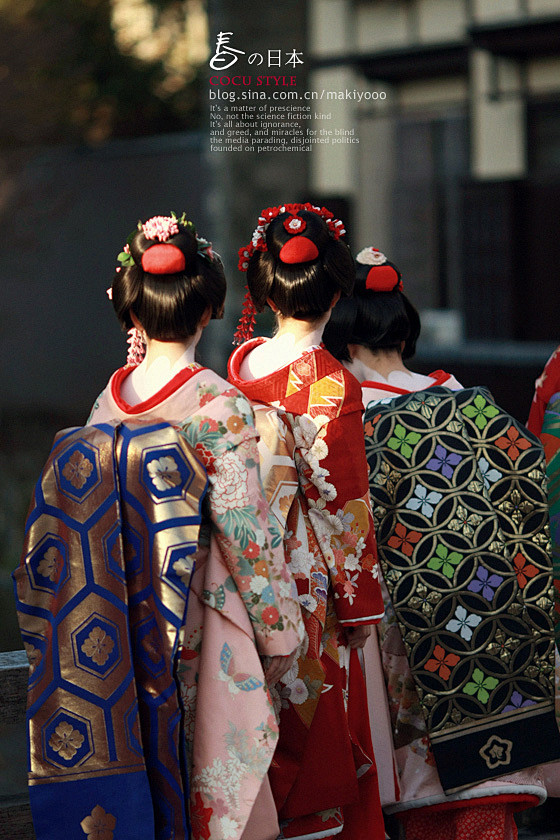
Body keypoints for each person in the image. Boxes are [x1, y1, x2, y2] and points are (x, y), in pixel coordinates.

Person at [13, 214, 304, 840]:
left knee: (147, 772)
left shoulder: (106, 403)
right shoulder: (218, 404)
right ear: (209, 312)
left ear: (132, 316)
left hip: (116, 623)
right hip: (192, 622)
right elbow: (246, 534)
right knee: (202, 776)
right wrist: (279, 633)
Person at [323, 246, 560, 840]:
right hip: (490, 629)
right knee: (487, 801)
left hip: (404, 644)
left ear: (347, 345)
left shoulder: (351, 423)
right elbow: (527, 487)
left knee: (427, 804)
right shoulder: (473, 403)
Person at [227, 203, 386, 840]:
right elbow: (344, 511)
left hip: (241, 568)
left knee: (256, 726)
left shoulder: (239, 367)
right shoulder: (331, 386)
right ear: (338, 291)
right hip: (303, 582)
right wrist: (361, 609)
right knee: (319, 728)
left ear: (266, 289)